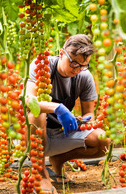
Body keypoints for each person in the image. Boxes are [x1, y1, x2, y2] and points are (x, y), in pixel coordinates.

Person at [26, 34, 110, 194]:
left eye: (83, 65)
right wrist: (57, 108)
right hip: (32, 137)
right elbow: (29, 101)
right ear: (62, 53)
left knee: (102, 140)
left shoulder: (84, 77)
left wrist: (84, 121)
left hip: (60, 134)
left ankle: (58, 160)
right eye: (74, 63)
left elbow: (90, 113)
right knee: (37, 113)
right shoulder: (42, 65)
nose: (77, 69)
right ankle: (40, 173)